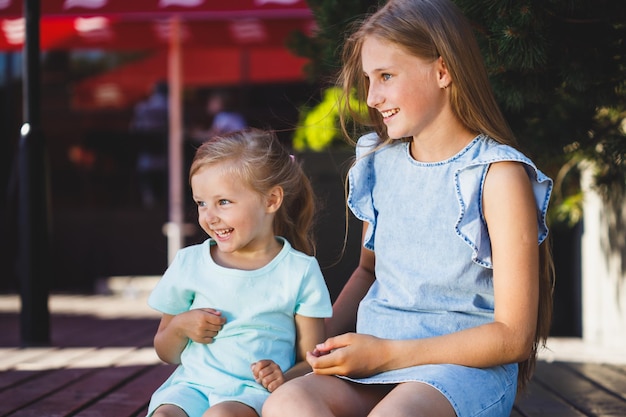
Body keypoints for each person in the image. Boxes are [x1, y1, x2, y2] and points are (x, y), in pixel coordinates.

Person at [262, 1, 554, 416]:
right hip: (373, 363)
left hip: (460, 371)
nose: (373, 96)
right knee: (286, 404)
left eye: (386, 76)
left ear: (442, 70)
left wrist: (385, 355)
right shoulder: (378, 162)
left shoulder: (496, 175)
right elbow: (368, 271)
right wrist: (316, 350)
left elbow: (513, 337)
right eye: (368, 79)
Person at [146, 129, 333, 417]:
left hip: (251, 395)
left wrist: (283, 377)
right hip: (191, 387)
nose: (209, 216)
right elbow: (165, 351)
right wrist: (180, 327)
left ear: (271, 200)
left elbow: (311, 360)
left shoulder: (299, 271)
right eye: (201, 203)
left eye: (223, 202)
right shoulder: (190, 263)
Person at [130, 81, 169, 208]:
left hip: (147, 152)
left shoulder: (142, 107)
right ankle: (164, 200)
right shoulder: (173, 106)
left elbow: (135, 128)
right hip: (166, 151)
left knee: (147, 177)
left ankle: (149, 199)